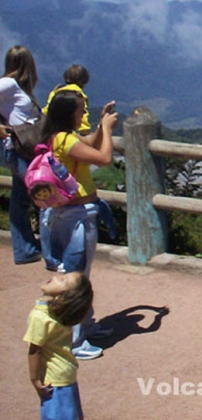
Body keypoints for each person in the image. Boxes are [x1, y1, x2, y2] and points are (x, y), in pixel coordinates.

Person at [42, 89, 118, 361]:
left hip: (70, 212)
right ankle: (74, 340)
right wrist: (107, 130)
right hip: (76, 216)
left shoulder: (60, 137)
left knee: (80, 273)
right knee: (76, 275)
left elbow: (89, 143)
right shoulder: (65, 140)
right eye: (80, 110)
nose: (83, 113)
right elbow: (104, 158)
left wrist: (100, 124)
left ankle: (86, 324)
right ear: (68, 113)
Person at [40, 64, 94, 272]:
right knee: (77, 253)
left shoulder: (55, 92)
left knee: (48, 212)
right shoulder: (78, 96)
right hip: (75, 195)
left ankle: (51, 257)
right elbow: (84, 126)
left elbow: (45, 114)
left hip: (50, 146)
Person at [24, 270, 94, 420]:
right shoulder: (59, 313)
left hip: (53, 378)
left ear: (64, 296)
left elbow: (35, 350)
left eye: (62, 280)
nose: (57, 276)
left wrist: (34, 379)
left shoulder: (40, 316)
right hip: (65, 372)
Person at [0, 44, 44, 264]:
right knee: (45, 194)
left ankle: (25, 250)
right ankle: (52, 251)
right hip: (18, 150)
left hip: (19, 150)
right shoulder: (8, 84)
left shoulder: (15, 86)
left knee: (20, 201)